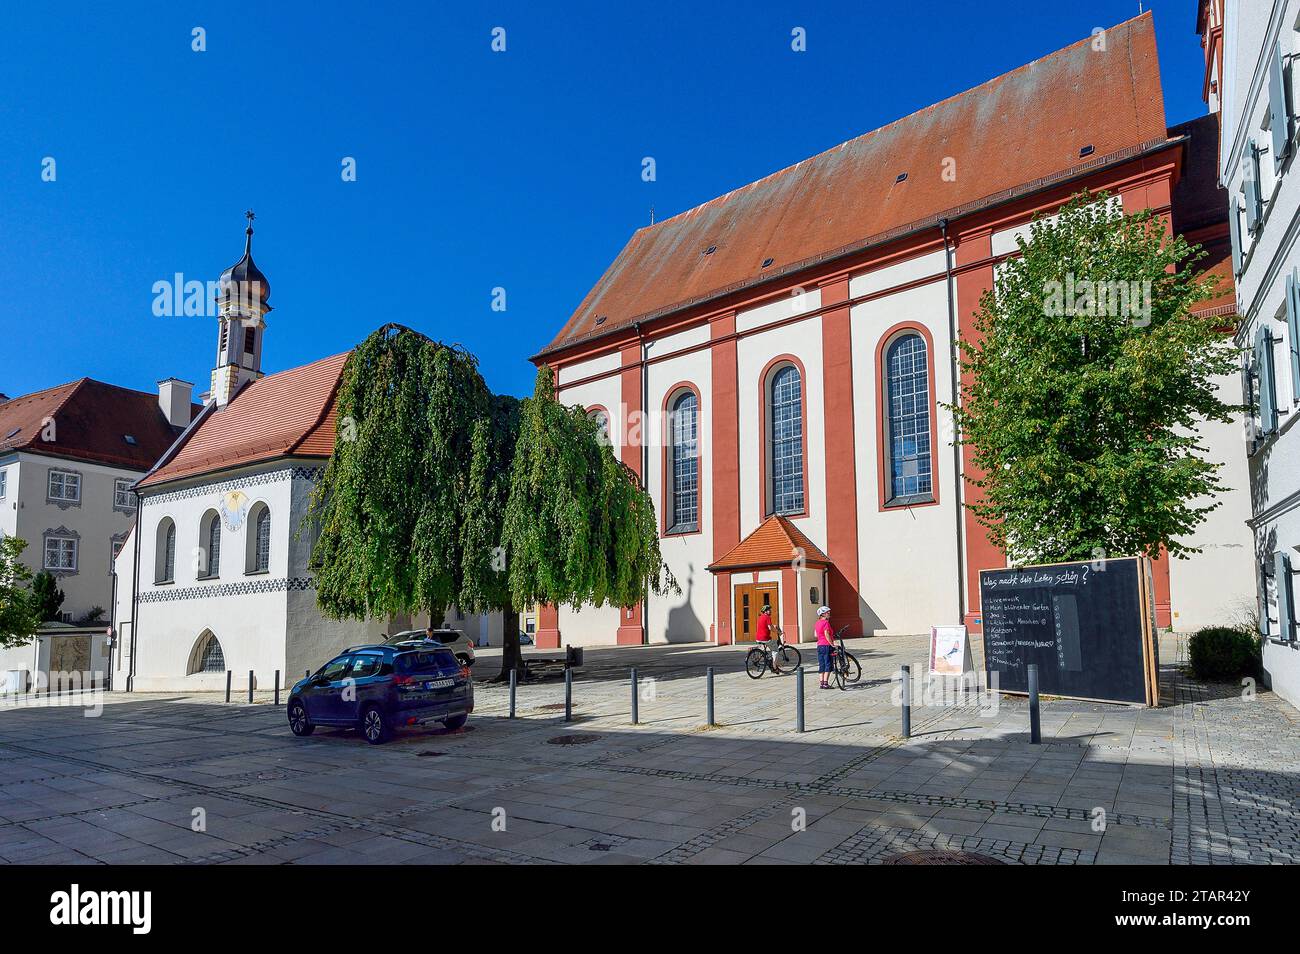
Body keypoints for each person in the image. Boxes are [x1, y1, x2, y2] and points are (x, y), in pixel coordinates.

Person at [755, 603, 779, 673]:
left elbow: (768, 625)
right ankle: (774, 667)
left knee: (765, 651)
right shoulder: (767, 617)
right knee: (775, 650)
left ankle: (767, 662)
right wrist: (778, 632)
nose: (770, 611)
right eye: (768, 610)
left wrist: (774, 626)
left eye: (770, 610)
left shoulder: (761, 617)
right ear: (765, 611)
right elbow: (770, 628)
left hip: (758, 638)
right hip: (765, 638)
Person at [815, 605, 834, 689]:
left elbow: (815, 634)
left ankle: (821, 683)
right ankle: (826, 683)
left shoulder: (817, 623)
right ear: (823, 614)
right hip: (826, 645)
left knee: (821, 663)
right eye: (827, 612)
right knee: (828, 663)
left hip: (819, 645)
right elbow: (826, 634)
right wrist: (832, 643)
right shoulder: (826, 623)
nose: (829, 613)